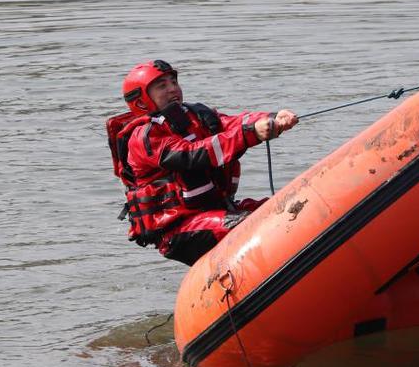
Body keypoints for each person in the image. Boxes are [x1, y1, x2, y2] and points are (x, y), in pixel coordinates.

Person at [106, 60, 298, 266]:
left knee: (288, 206)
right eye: (162, 86)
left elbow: (230, 123)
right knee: (245, 225)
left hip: (220, 209)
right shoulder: (144, 137)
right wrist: (250, 134)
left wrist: (272, 118)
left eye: (174, 82)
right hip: (180, 230)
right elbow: (191, 155)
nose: (173, 89)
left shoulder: (195, 115)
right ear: (142, 101)